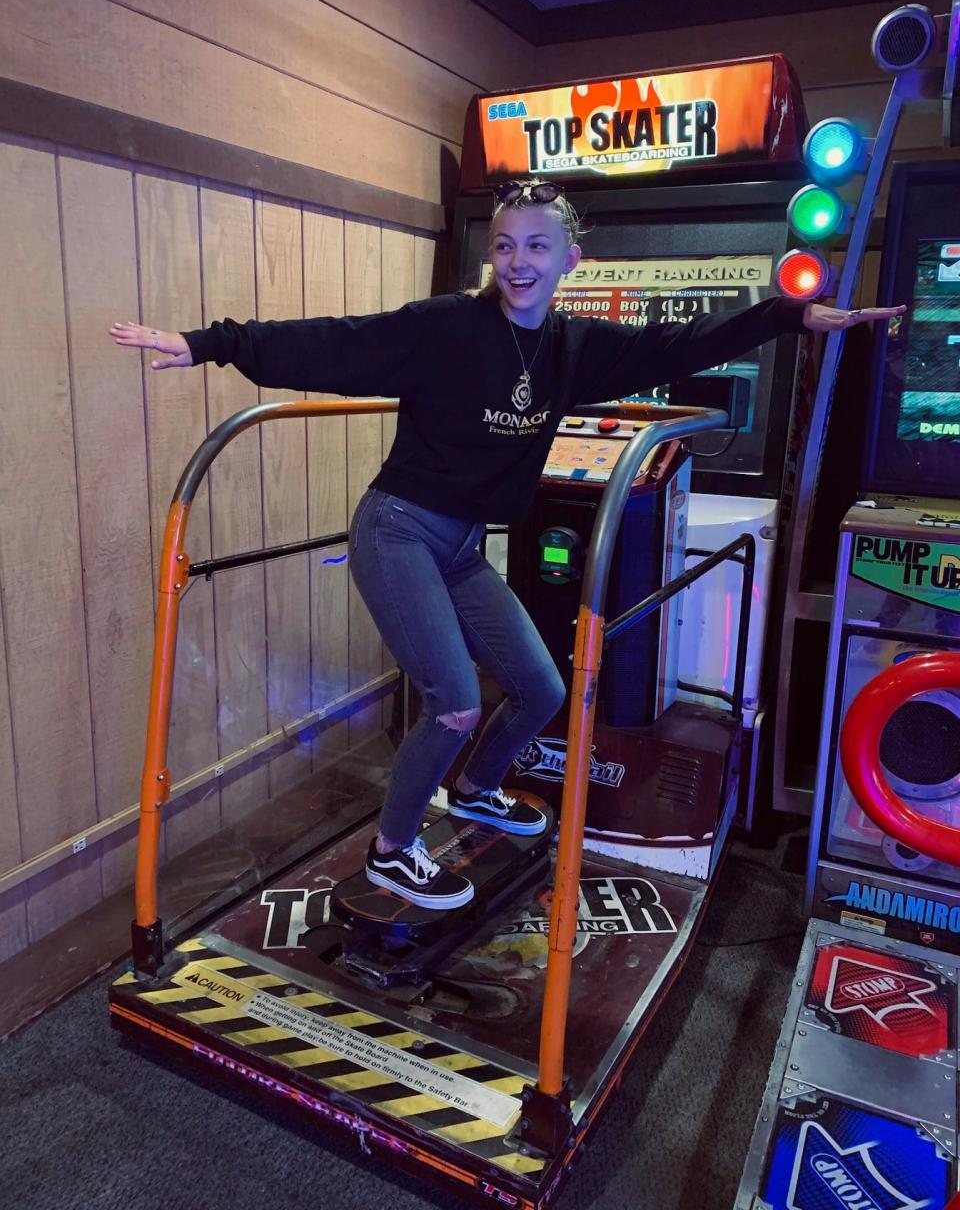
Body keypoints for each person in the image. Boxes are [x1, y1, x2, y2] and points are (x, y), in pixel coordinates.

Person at [110, 180, 905, 911]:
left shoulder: (570, 346)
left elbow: (676, 345)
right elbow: (334, 343)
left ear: (570, 260)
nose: (517, 263)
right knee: (455, 703)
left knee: (541, 689)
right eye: (503, 246)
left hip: (457, 547)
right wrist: (205, 343)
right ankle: (392, 848)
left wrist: (786, 316)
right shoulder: (446, 328)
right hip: (398, 531)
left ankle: (479, 791)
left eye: (535, 247)